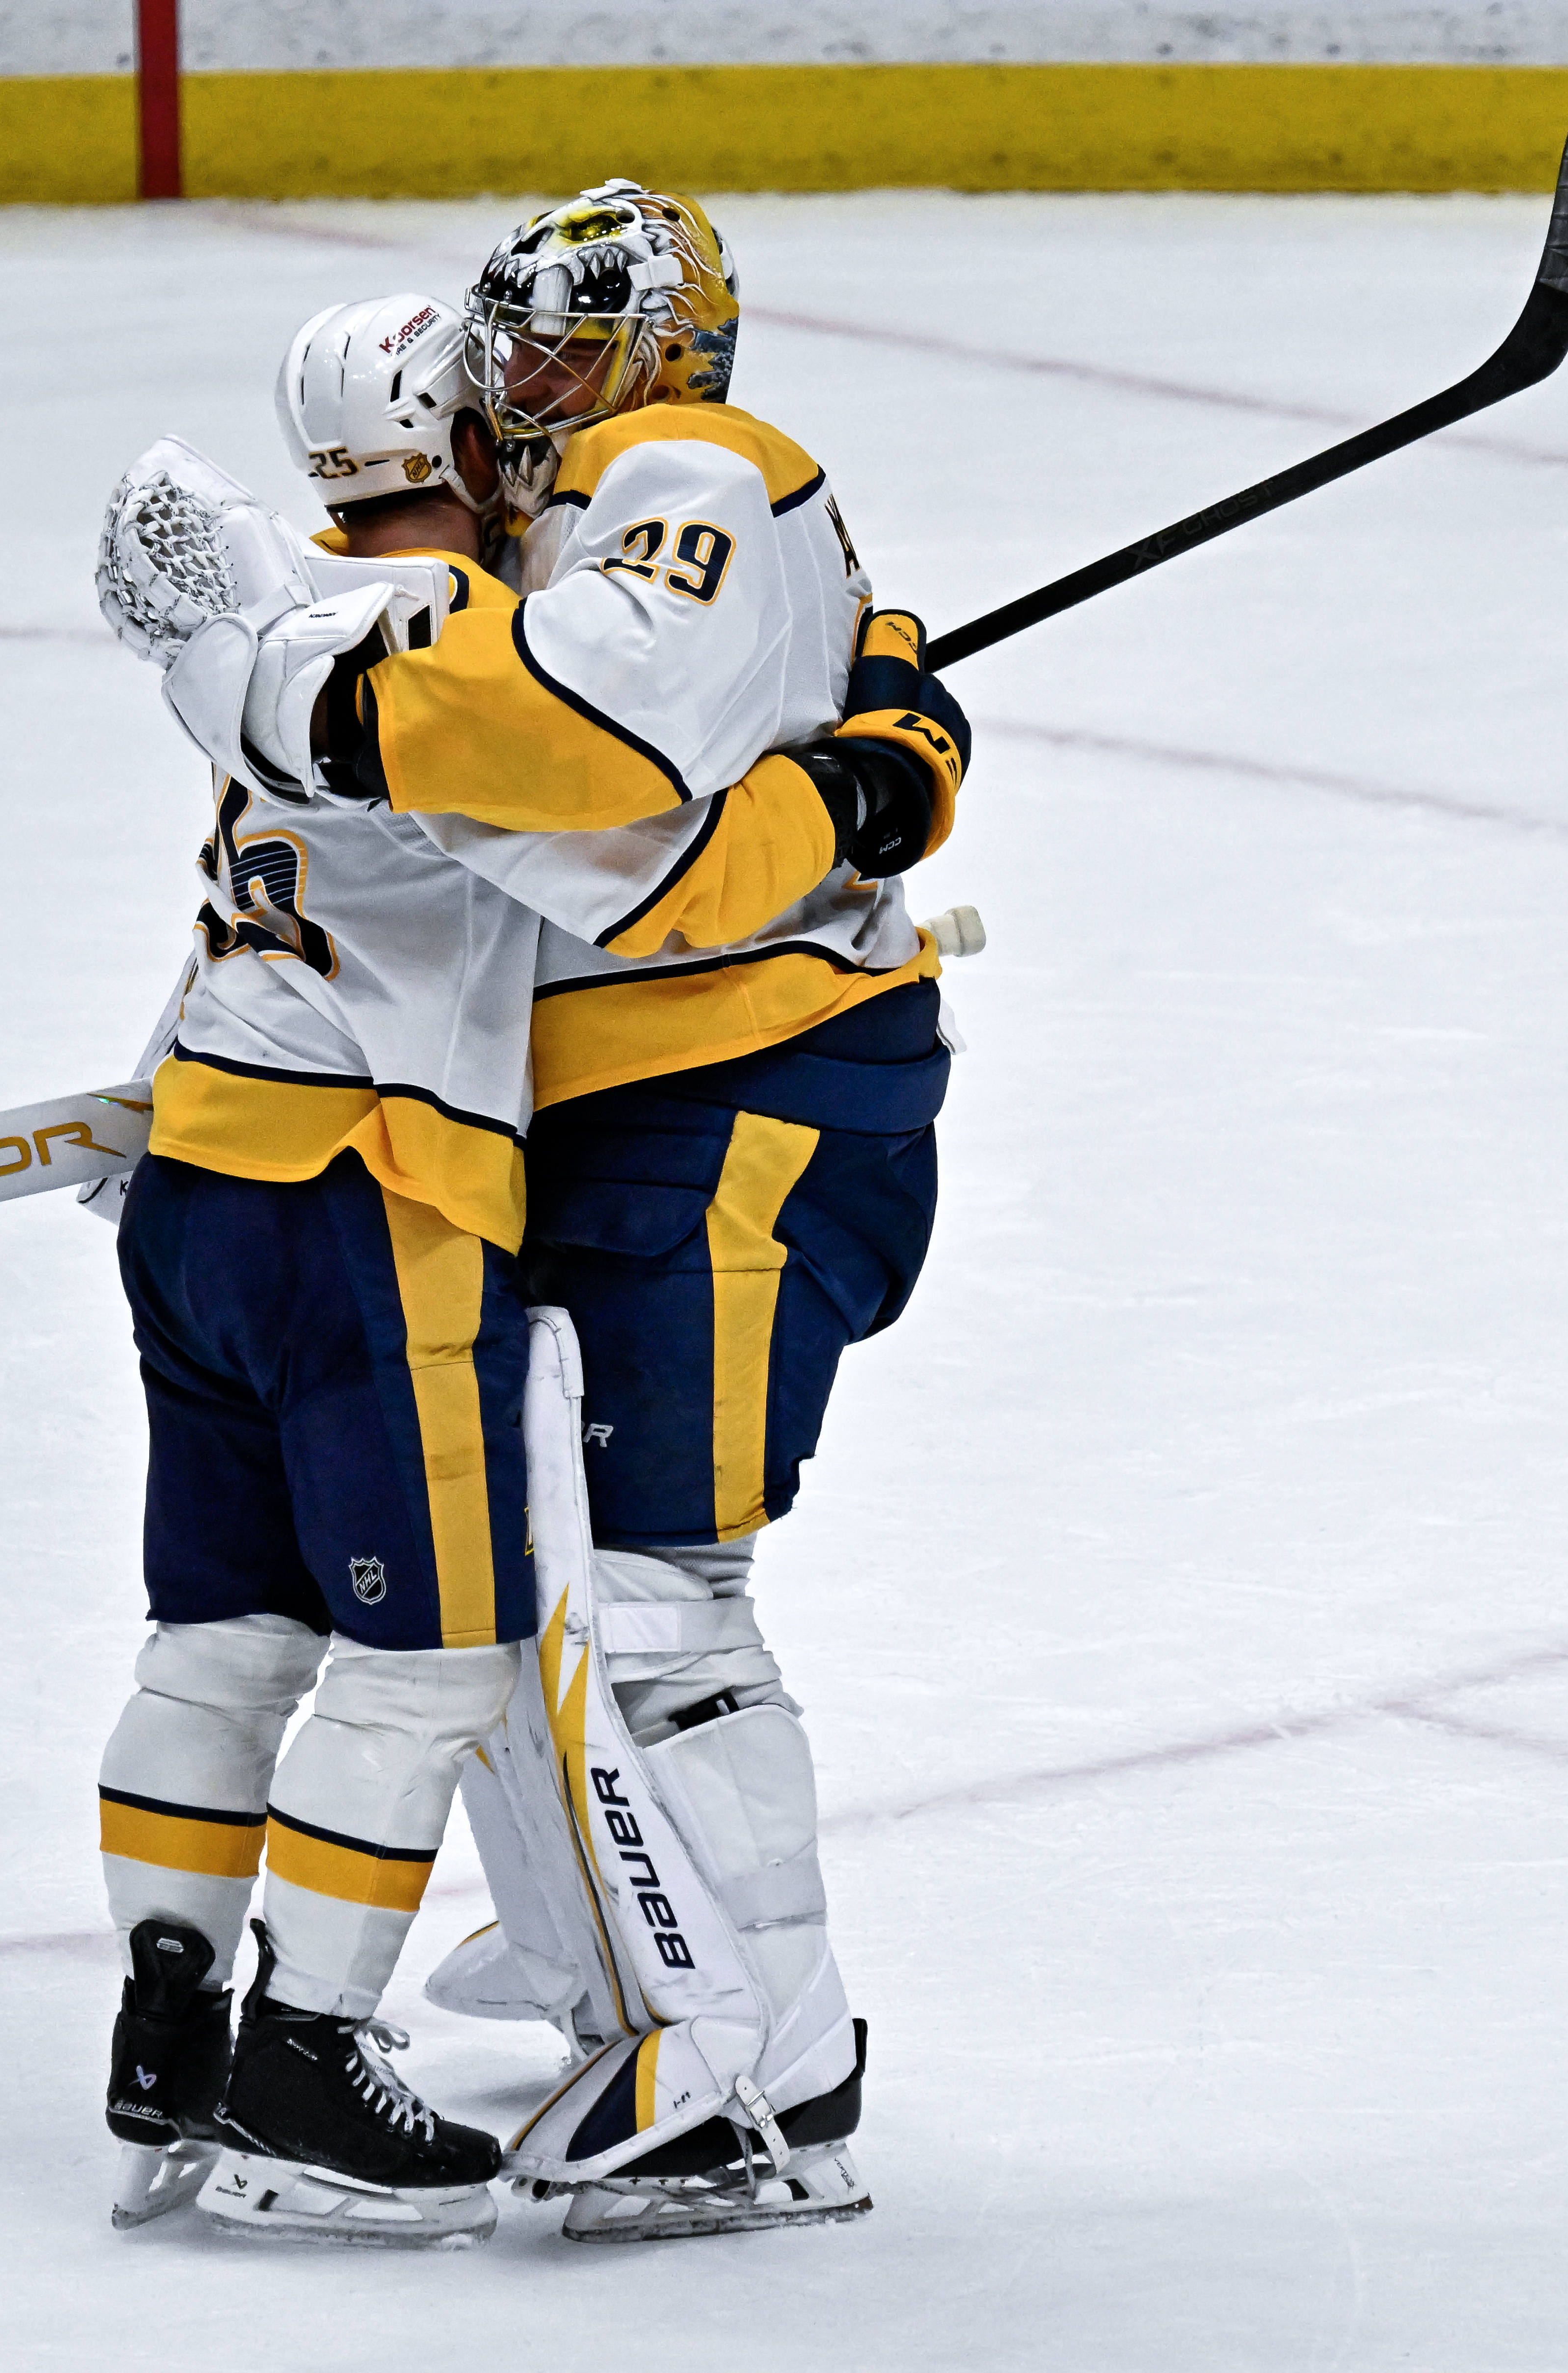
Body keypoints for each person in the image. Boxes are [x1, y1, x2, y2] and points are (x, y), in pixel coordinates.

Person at [84, 280, 969, 2247]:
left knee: (614, 1588)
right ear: (468, 445)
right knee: (506, 1614)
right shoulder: (461, 642)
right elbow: (644, 869)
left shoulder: (291, 605)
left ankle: (751, 2054)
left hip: (447, 1146)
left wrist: (876, 687)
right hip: (392, 1171)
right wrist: (863, 770)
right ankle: (609, 1996)